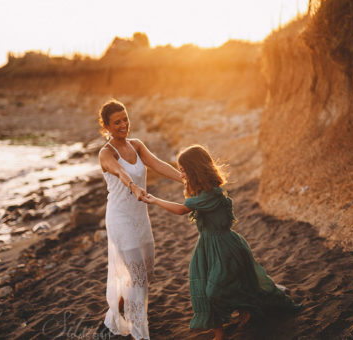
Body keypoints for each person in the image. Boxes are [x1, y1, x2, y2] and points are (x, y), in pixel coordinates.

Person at [142, 145, 301, 340]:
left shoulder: (211, 194)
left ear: (194, 170)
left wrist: (153, 200)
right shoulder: (200, 191)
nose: (180, 173)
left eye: (183, 169)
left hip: (225, 247)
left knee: (215, 290)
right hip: (207, 246)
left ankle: (246, 309)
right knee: (207, 288)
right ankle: (220, 333)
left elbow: (182, 210)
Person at [97, 99, 182, 340]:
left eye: (125, 119)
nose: (123, 125)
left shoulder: (136, 145)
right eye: (117, 122)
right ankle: (138, 333)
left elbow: (158, 165)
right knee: (138, 277)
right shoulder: (106, 153)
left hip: (140, 217)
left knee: (145, 271)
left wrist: (185, 179)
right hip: (120, 219)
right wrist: (133, 187)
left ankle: (111, 319)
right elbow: (120, 172)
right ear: (106, 126)